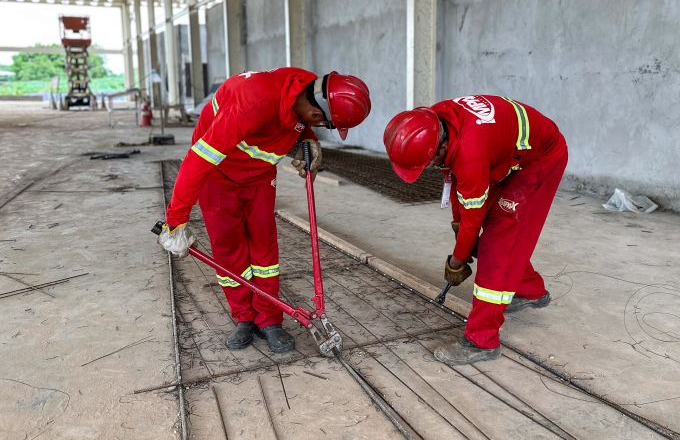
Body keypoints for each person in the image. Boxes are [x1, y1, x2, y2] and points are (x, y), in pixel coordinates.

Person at [158, 68, 371, 351]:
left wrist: (308, 138)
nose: (320, 128)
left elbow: (299, 114)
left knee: (264, 248)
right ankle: (244, 317)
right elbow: (197, 162)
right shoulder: (253, 103)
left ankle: (270, 319)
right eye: (324, 127)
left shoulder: (305, 88)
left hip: (258, 177)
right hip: (217, 176)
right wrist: (175, 222)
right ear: (320, 116)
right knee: (228, 248)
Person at [383, 95, 567, 365]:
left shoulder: (471, 152)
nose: (429, 168)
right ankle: (531, 292)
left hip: (541, 160)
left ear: (441, 146)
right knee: (489, 236)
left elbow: (472, 213)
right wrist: (459, 229)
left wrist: (457, 261)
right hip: (507, 156)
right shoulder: (437, 121)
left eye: (429, 163)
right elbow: (455, 179)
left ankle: (481, 341)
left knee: (497, 244)